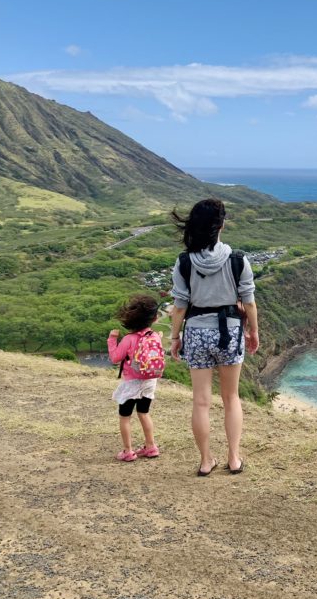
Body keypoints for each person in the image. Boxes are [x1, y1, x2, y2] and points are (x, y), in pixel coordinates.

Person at [169, 198, 259, 476]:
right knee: (231, 397)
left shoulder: (184, 262)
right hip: (229, 331)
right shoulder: (237, 259)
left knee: (201, 401)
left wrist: (174, 337)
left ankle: (206, 461)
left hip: (196, 333)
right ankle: (233, 458)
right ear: (221, 225)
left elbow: (179, 306)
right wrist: (253, 330)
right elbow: (249, 301)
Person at [107, 294, 162, 462]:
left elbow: (115, 358)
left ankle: (128, 451)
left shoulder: (129, 339)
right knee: (144, 413)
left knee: (125, 417)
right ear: (152, 319)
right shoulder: (155, 336)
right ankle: (151, 447)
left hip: (132, 383)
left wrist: (112, 339)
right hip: (150, 381)